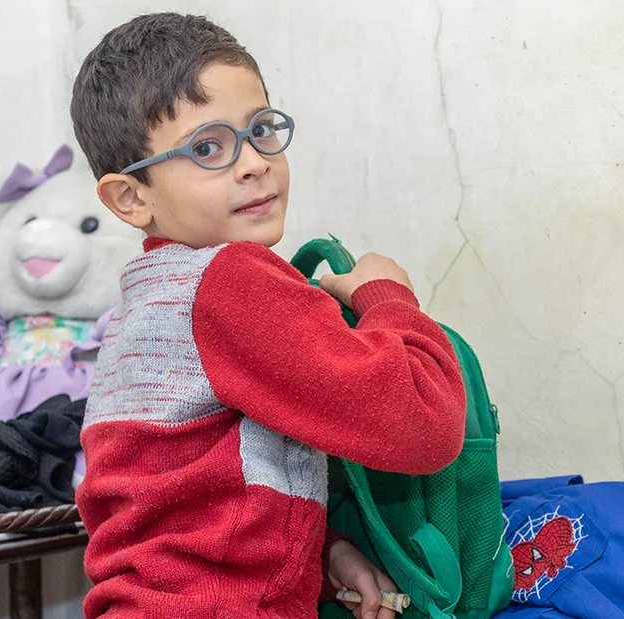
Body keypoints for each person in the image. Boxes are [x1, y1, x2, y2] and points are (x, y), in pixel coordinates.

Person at [69, 12, 467, 619]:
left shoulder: (145, 305)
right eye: (207, 147)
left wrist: (324, 555)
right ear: (131, 197)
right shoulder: (231, 282)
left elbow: (188, 507)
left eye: (260, 129)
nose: (253, 161)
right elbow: (422, 427)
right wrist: (387, 297)